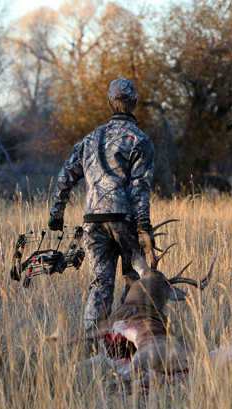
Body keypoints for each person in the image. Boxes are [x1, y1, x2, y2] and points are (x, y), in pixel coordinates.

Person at [48, 78, 155, 330]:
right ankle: (123, 341)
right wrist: (144, 227)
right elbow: (140, 186)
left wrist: (57, 212)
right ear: (136, 103)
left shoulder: (90, 138)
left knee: (99, 285)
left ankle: (92, 344)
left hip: (93, 222)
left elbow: (66, 176)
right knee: (135, 281)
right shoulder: (140, 140)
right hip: (125, 221)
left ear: (109, 103)